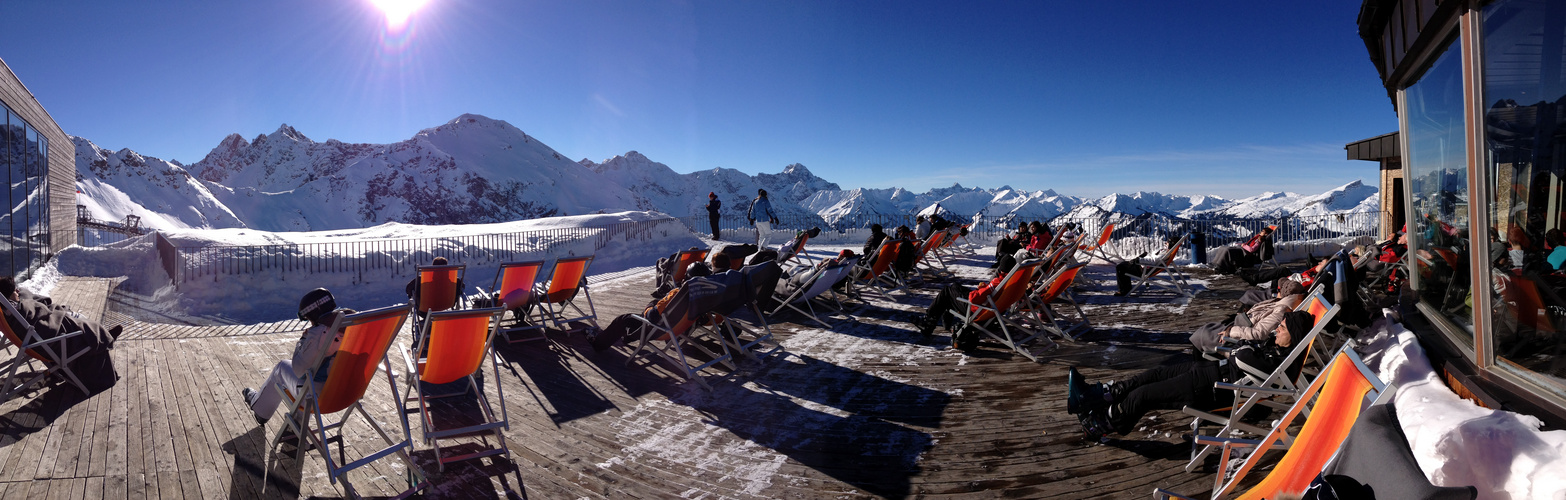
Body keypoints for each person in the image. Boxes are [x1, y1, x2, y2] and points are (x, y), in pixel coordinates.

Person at [1069, 310, 1315, 441]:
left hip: (1212, 388)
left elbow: (1242, 356)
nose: (1276, 330)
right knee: (1152, 375)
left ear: (1294, 335)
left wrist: (1245, 348)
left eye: (1282, 328)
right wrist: (1246, 348)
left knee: (1144, 395)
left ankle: (1099, 424)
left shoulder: (1282, 360)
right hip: (1208, 372)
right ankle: (1094, 396)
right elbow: (1244, 352)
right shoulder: (1278, 348)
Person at [240, 288, 353, 425]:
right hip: (349, 391)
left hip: (322, 398)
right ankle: (294, 429)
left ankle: (260, 410)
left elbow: (299, 370)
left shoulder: (319, 333)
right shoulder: (355, 324)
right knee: (312, 376)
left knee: (283, 368)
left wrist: (303, 340)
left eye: (308, 318)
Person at [0, 277, 121, 393]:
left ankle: (102, 333)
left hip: (36, 341)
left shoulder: (7, 313)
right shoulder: (19, 312)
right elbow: (47, 327)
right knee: (86, 329)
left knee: (76, 318)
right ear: (8, 297)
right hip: (51, 343)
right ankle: (103, 336)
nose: (17, 291)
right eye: (14, 291)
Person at [1113, 235, 1182, 296]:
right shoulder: (1166, 252)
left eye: (1167, 242)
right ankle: (1126, 288)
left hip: (1143, 269)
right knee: (1123, 265)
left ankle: (1123, 291)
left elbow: (1153, 261)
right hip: (1144, 266)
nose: (1165, 243)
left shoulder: (1164, 253)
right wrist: (1142, 257)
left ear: (1171, 244)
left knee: (1120, 268)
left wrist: (1138, 260)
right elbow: (1153, 258)